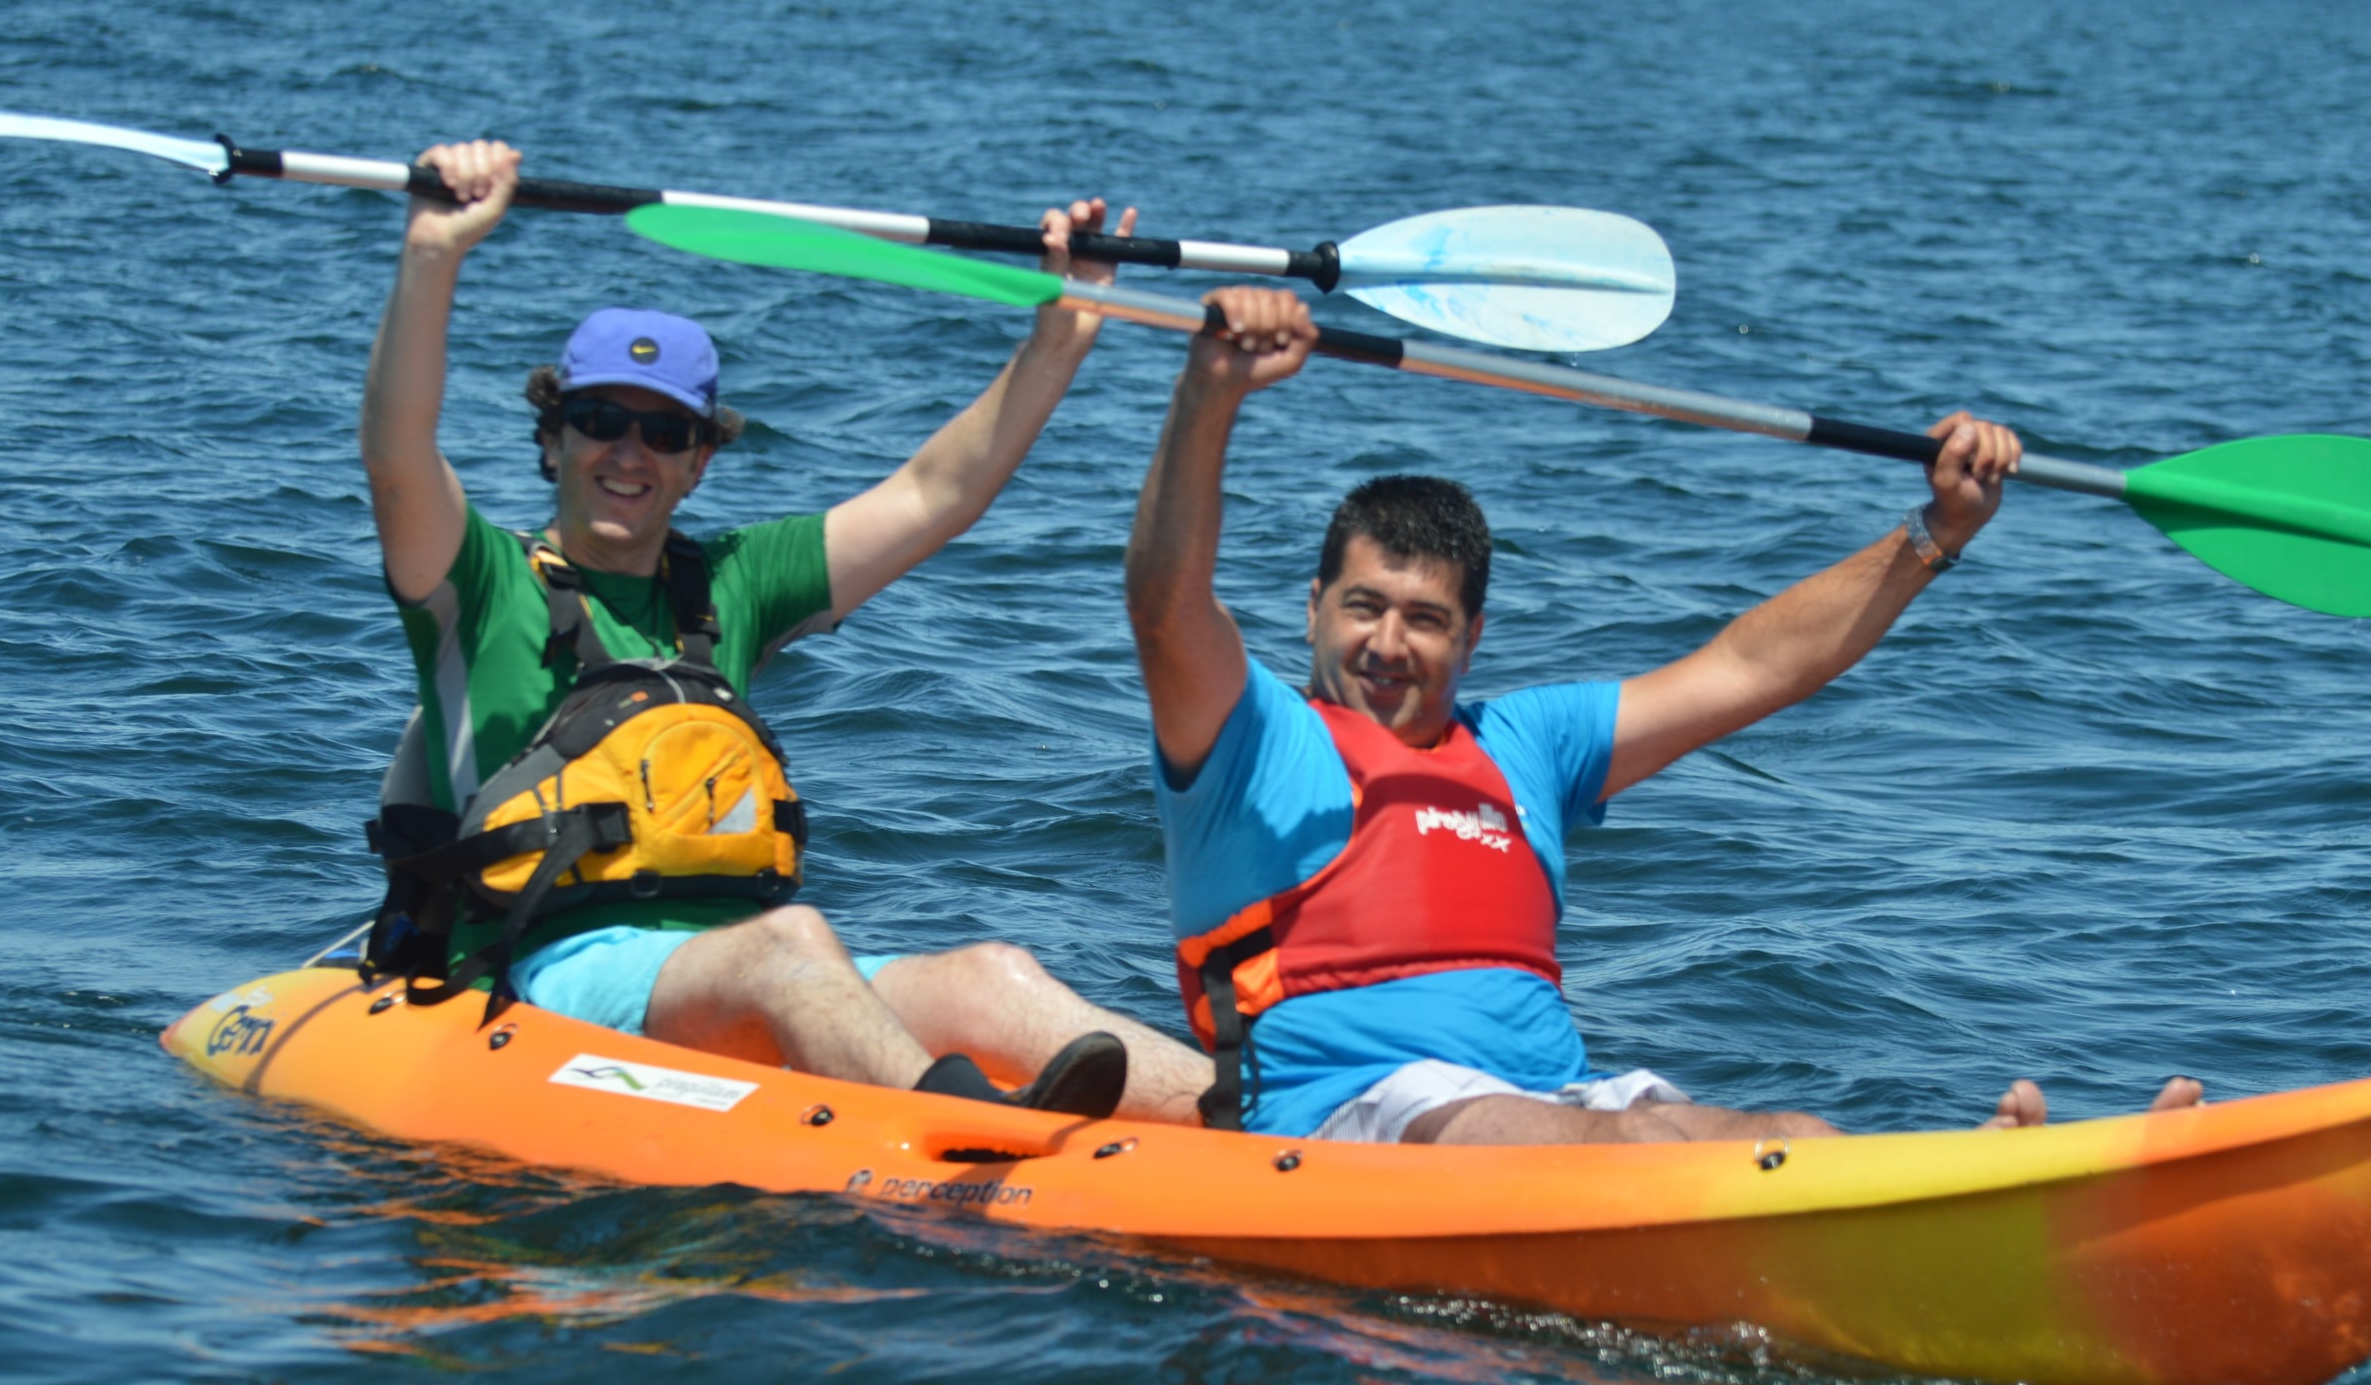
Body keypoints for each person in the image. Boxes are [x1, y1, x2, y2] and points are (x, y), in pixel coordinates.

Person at [1124, 287, 2205, 1145]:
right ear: (1313, 610)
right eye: (1363, 608)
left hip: (1554, 1099)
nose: (1389, 644)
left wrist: (1936, 531)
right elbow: (1165, 601)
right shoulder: (1249, 739)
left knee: (1780, 1130)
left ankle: (2004, 1196)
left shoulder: (1525, 744)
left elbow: (1752, 667)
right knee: (1593, 1143)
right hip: (1355, 1116)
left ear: (1472, 637)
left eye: (1426, 619)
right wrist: (1209, 395)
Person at [359, 139, 1210, 1122]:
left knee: (994, 974)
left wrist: (1069, 318)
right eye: (600, 420)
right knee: (792, 945)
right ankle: (959, 1139)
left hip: (742, 964)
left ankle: (1255, 1123)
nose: (629, 452)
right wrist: (433, 252)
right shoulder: (478, 580)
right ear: (553, 438)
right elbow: (396, 453)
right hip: (549, 971)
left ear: (699, 465)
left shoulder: (733, 582)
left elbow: (939, 491)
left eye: (666, 433)